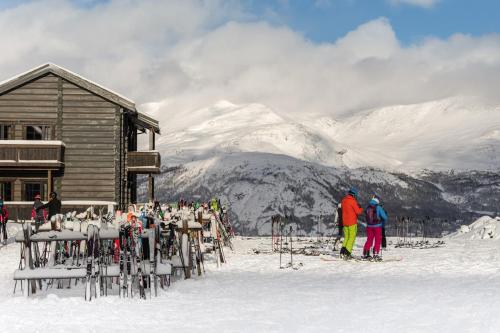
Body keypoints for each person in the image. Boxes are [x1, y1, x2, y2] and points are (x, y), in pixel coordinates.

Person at [340, 188, 363, 260]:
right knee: (351, 237)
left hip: (345, 222)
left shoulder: (343, 201)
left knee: (346, 237)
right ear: (353, 195)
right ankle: (347, 253)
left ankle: (342, 252)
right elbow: (358, 212)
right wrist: (361, 208)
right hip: (352, 222)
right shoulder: (353, 201)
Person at [362, 196, 387, 261]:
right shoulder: (378, 207)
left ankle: (365, 254)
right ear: (377, 202)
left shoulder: (368, 207)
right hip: (377, 226)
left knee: (369, 240)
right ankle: (375, 254)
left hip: (369, 226)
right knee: (377, 240)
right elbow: (385, 217)